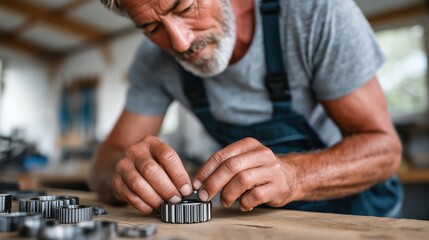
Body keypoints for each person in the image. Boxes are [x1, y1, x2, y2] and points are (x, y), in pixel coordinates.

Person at [89, 0, 403, 217]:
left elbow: (384, 149)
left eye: (185, 7)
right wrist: (123, 177)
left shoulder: (316, 12)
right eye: (151, 28)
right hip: (269, 223)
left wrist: (293, 176)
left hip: (358, 216)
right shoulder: (154, 60)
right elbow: (106, 159)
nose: (180, 43)